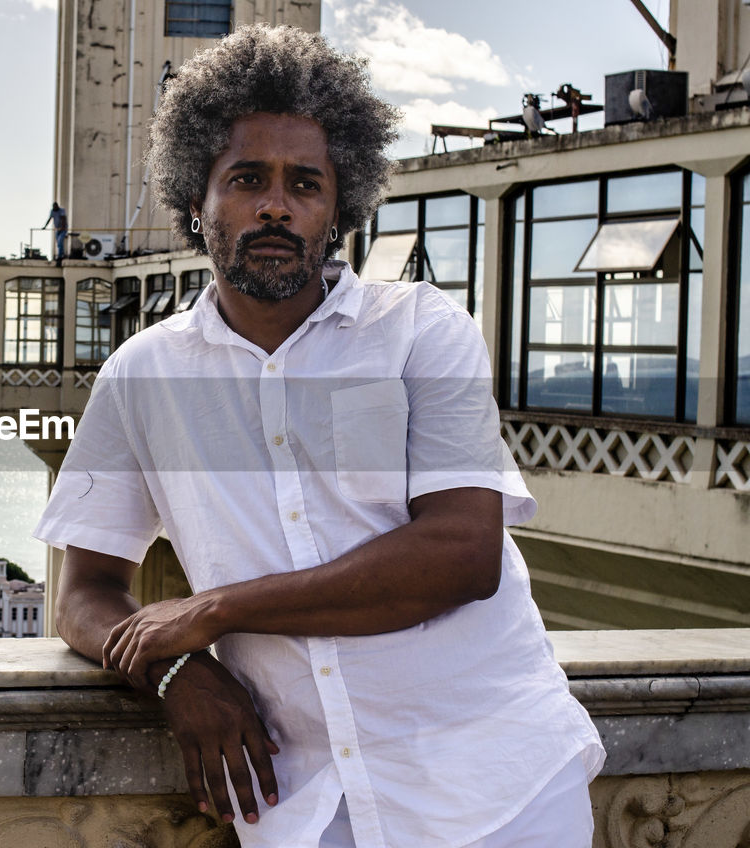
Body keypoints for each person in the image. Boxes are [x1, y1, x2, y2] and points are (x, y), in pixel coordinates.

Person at [34, 24, 604, 848]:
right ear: (197, 201)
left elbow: (462, 553)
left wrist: (215, 612)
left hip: (499, 793)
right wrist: (177, 671)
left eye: (306, 183)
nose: (276, 204)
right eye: (246, 179)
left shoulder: (421, 332)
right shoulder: (140, 375)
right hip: (300, 809)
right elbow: (83, 591)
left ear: (339, 208)